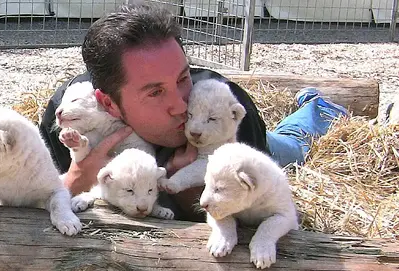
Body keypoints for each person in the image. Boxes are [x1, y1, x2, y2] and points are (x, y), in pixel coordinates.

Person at [38, 4, 348, 222]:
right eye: (156, 92)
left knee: (292, 145)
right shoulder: (67, 116)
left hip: (266, 145)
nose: (182, 106)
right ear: (109, 105)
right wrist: (75, 180)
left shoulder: (226, 105)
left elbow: (249, 214)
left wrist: (191, 195)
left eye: (182, 78)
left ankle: (318, 108)